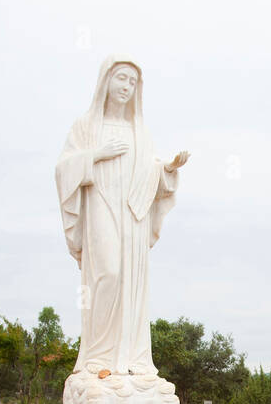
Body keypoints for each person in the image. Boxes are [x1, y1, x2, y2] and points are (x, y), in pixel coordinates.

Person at [55, 57, 188, 378]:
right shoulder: (86, 126)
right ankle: (98, 356)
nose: (127, 87)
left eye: (133, 82)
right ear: (106, 81)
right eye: (121, 79)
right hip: (101, 203)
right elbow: (63, 169)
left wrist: (167, 169)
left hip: (133, 213)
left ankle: (131, 357)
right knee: (109, 273)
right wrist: (97, 154)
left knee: (132, 280)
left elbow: (150, 170)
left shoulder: (139, 130)